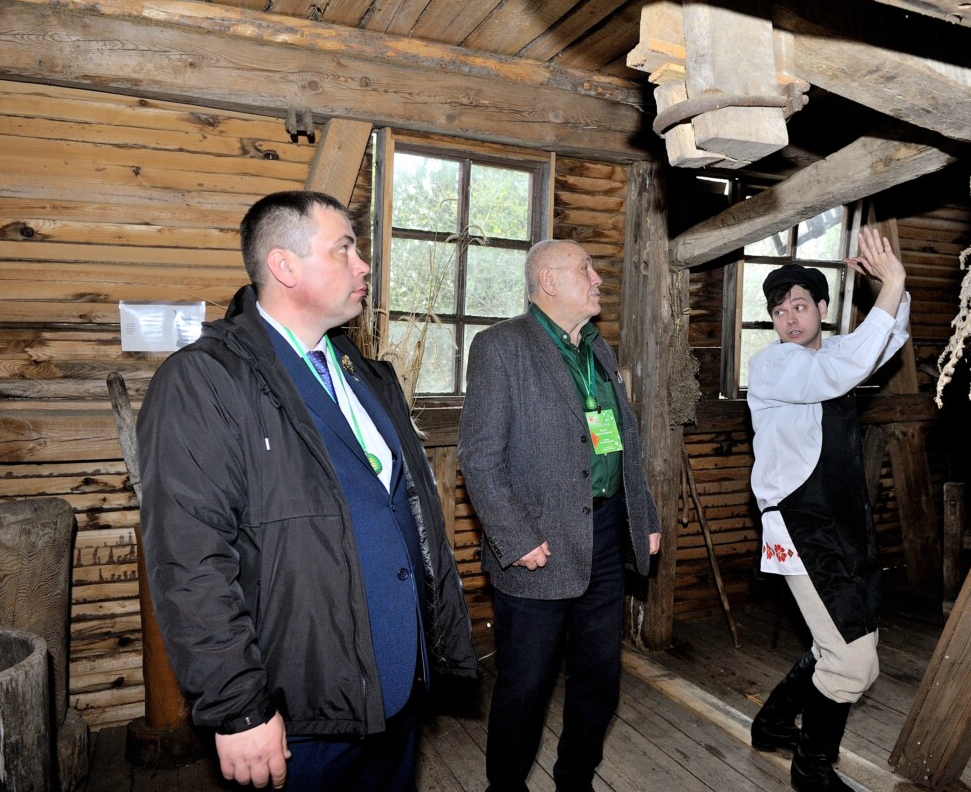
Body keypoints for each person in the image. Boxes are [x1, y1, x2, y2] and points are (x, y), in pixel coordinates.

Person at [138, 190, 477, 791]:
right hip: (299, 709)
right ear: (284, 266)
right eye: (344, 248)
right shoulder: (204, 380)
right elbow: (189, 560)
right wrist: (238, 706)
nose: (363, 265)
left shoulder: (366, 375)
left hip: (394, 687)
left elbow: (408, 514)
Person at [458, 238, 661, 792]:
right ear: (548, 281)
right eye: (585, 269)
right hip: (539, 546)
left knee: (599, 681)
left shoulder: (597, 348)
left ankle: (576, 781)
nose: (598, 278)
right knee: (525, 687)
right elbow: (479, 456)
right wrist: (515, 537)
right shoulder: (501, 346)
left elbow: (622, 443)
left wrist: (642, 515)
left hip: (606, 536)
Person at [746, 226, 910, 792]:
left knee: (841, 640)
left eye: (799, 306)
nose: (789, 319)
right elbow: (844, 371)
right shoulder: (774, 365)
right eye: (779, 311)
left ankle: (772, 724)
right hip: (799, 525)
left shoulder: (836, 352)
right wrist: (892, 283)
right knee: (853, 659)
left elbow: (888, 338)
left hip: (843, 521)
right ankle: (812, 769)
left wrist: (890, 286)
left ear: (822, 308)